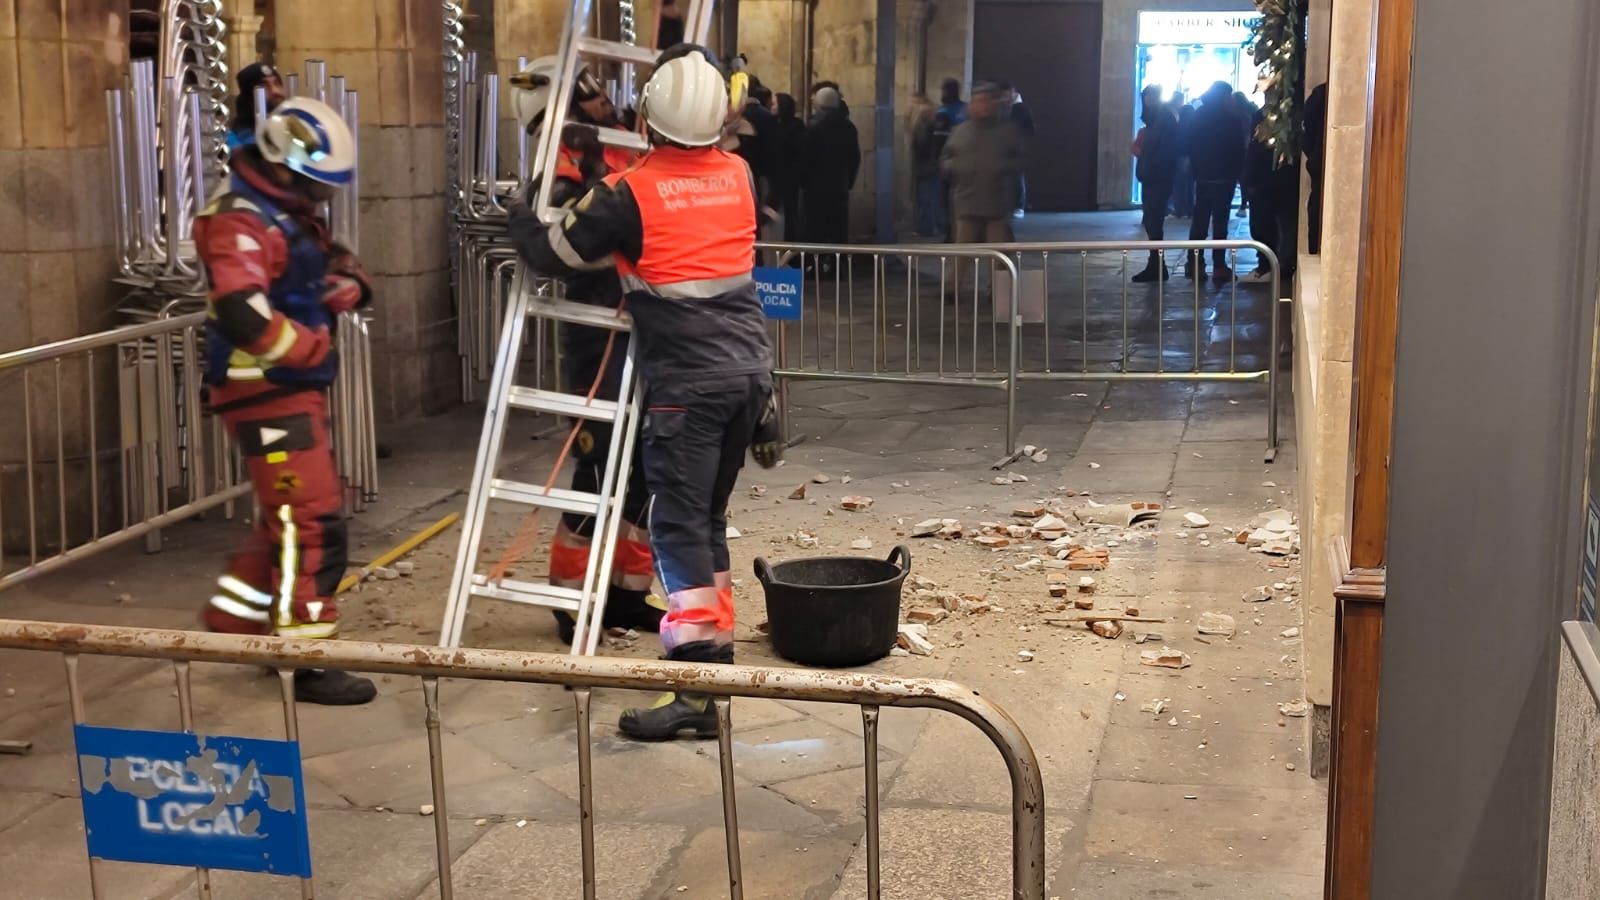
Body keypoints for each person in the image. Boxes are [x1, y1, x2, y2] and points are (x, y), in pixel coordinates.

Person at [515, 44, 782, 741]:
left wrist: (521, 212)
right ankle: (709, 665)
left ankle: (695, 685)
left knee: (678, 528)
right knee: (707, 523)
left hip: (685, 386)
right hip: (747, 372)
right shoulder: (741, 175)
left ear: (649, 120)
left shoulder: (629, 191)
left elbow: (555, 253)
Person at [197, 97, 377, 705]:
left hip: (288, 389)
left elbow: (328, 260)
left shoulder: (285, 211)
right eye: (312, 185)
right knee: (312, 519)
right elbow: (242, 311)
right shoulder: (237, 219)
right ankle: (307, 656)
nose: (319, 198)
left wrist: (348, 282)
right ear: (280, 163)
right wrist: (307, 344)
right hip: (264, 391)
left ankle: (238, 622)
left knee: (287, 514)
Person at [506, 64, 660, 647]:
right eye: (588, 100)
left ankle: (626, 594)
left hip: (644, 328)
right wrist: (523, 217)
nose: (601, 108)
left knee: (646, 474)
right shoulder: (559, 165)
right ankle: (570, 601)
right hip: (599, 336)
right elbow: (559, 245)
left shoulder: (622, 143)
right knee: (595, 475)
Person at [942, 81, 1026, 248]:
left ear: (995, 103)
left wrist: (1000, 168)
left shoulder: (1009, 131)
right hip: (967, 204)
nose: (982, 105)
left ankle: (1003, 275)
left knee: (999, 258)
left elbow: (1022, 159)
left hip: (998, 205)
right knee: (962, 256)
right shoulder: (960, 132)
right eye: (978, 101)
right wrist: (955, 167)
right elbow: (946, 157)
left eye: (986, 100)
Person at [1186, 81, 1247, 280]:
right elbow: (1238, 148)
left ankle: (1195, 264)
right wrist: (1237, 172)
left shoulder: (1199, 115)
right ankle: (1219, 266)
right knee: (1220, 224)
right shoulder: (1231, 118)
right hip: (1223, 179)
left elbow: (1190, 145)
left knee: (1199, 223)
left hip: (1204, 178)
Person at [798, 85, 860, 249]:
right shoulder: (849, 128)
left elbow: (806, 157)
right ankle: (837, 266)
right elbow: (854, 158)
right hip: (839, 186)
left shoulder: (812, 127)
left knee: (815, 230)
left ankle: (816, 267)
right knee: (838, 230)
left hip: (815, 188)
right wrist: (849, 181)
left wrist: (804, 181)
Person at [1131, 85, 1179, 283]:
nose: (1148, 99)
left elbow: (1165, 150)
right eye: (1146, 96)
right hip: (1152, 177)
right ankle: (1156, 265)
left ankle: (1157, 266)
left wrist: (1152, 167)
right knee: (1152, 223)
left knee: (1154, 222)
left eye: (1151, 95)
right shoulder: (1155, 119)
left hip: (1158, 178)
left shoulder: (1163, 118)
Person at [769, 93, 806, 243]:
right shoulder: (796, 126)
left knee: (789, 215)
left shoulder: (790, 128)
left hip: (786, 177)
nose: (771, 107)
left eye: (774, 104)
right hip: (785, 177)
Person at [934, 78, 968, 240]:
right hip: (967, 164)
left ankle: (951, 234)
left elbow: (939, 140)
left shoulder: (944, 112)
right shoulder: (966, 109)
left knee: (948, 203)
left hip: (950, 163)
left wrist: (939, 162)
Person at [910, 94, 946, 238]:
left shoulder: (925, 126)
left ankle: (926, 228)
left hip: (926, 167)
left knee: (926, 199)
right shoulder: (933, 125)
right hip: (930, 166)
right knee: (932, 198)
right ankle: (935, 226)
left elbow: (921, 147)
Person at [227, 63, 286, 150]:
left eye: (276, 83)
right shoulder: (234, 142)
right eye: (264, 86)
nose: (275, 91)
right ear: (249, 99)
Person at [997, 81, 1035, 218]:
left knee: (1017, 177)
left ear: (1012, 93)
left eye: (1007, 95)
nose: (1005, 98)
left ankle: (1019, 206)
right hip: (1003, 146)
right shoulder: (1001, 108)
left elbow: (1029, 129)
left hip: (1017, 147)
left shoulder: (1021, 108)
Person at [1303, 83, 1328, 255]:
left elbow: (1306, 136)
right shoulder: (1321, 95)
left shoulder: (1319, 95)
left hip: (1318, 163)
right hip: (1319, 164)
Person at [1170, 91, 1195, 218]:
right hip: (1192, 158)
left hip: (1180, 156)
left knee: (1179, 185)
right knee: (1190, 185)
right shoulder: (1195, 127)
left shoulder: (1179, 126)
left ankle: (1180, 209)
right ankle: (1191, 210)